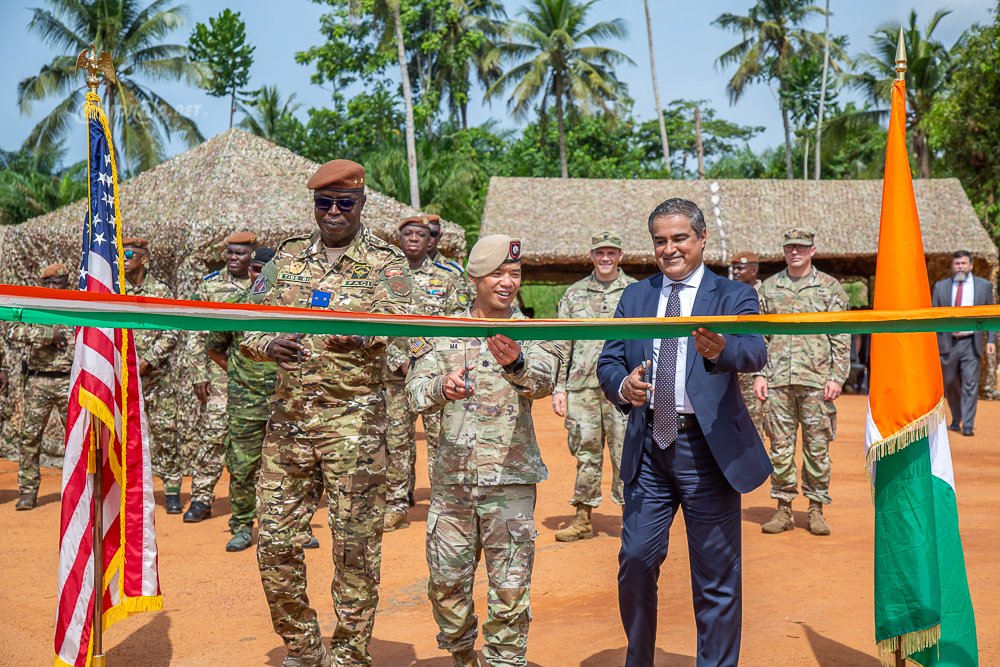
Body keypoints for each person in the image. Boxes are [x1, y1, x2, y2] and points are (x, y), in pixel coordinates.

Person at [241, 159, 412, 667]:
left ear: (361, 204)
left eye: (344, 203)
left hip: (354, 425)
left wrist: (365, 336)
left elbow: (407, 326)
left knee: (354, 548)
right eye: (324, 203)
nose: (334, 212)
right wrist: (268, 345)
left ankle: (350, 655)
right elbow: (245, 324)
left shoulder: (386, 262)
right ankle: (303, 648)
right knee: (274, 544)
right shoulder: (287, 257)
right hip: (289, 425)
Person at [596, 198, 771, 667]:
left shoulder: (732, 294)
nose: (669, 249)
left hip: (708, 451)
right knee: (636, 559)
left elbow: (755, 351)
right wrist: (623, 384)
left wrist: (722, 350)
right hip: (649, 446)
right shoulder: (635, 297)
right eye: (660, 241)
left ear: (702, 238)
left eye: (679, 238)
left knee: (716, 575)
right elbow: (609, 360)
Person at [407, 234, 560, 667]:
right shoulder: (442, 331)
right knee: (446, 586)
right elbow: (414, 392)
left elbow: (544, 381)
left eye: (514, 273)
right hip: (452, 483)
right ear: (475, 277)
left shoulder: (532, 333)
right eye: (497, 273)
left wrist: (517, 364)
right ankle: (461, 655)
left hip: (510, 481)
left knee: (510, 590)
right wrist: (441, 387)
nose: (507, 282)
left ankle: (504, 661)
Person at [753, 229, 850, 537]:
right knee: (780, 448)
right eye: (790, 247)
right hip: (778, 380)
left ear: (812, 250)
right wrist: (759, 373)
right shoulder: (769, 288)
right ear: (784, 251)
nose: (795, 252)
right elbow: (759, 336)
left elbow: (841, 335)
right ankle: (783, 508)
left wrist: (836, 377)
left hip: (817, 381)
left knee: (817, 448)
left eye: (801, 247)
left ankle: (816, 508)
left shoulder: (829, 288)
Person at [551, 230, 635, 542]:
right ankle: (583, 518)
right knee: (585, 452)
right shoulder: (574, 295)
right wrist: (559, 388)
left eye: (611, 252)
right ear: (592, 256)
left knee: (626, 453)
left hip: (623, 388)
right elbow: (562, 343)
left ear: (620, 256)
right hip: (581, 387)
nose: (605, 258)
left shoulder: (635, 292)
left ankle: (632, 519)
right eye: (600, 252)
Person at [383, 214, 464, 532]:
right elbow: (378, 322)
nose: (414, 239)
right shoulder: (387, 277)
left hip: (435, 377)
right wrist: (398, 358)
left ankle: (443, 503)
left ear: (430, 240)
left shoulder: (447, 277)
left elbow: (456, 324)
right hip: (395, 375)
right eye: (408, 234)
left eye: (420, 234)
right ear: (400, 239)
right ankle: (396, 505)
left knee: (440, 441)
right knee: (396, 442)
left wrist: (432, 361)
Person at [182, 232, 258, 523]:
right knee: (213, 436)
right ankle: (201, 498)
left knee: (257, 440)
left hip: (255, 380)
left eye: (240, 253)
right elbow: (196, 334)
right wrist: (199, 374)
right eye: (230, 252)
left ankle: (259, 501)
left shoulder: (264, 284)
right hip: (220, 378)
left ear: (252, 255)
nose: (233, 258)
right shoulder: (210, 286)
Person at [122, 237, 183, 512]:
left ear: (144, 259)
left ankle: (172, 490)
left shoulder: (161, 291)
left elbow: (172, 330)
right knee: (126, 436)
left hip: (157, 379)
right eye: (121, 254)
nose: (123, 260)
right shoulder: (116, 292)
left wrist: (149, 359)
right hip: (123, 377)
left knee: (165, 432)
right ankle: (131, 491)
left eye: (129, 255)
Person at [11, 263, 75, 510]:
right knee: (30, 437)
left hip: (69, 379)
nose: (53, 288)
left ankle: (80, 490)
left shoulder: (77, 306)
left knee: (77, 438)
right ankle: (27, 492)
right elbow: (14, 330)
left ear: (66, 284)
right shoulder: (33, 306)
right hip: (39, 381)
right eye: (48, 284)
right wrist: (48, 336)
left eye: (58, 283)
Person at [931, 249, 997, 436]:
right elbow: (933, 316)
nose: (960, 267)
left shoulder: (983, 286)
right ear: (952, 266)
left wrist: (991, 339)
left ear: (971, 265)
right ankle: (957, 417)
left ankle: (967, 424)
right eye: (957, 263)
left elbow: (991, 313)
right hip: (948, 342)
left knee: (970, 383)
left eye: (963, 263)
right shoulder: (941, 287)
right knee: (950, 382)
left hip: (971, 342)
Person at [730, 251, 766, 442]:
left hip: (756, 370)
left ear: (754, 270)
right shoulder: (729, 294)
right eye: (734, 268)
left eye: (740, 268)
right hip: (732, 367)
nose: (735, 272)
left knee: (754, 420)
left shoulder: (766, 294)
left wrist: (763, 373)